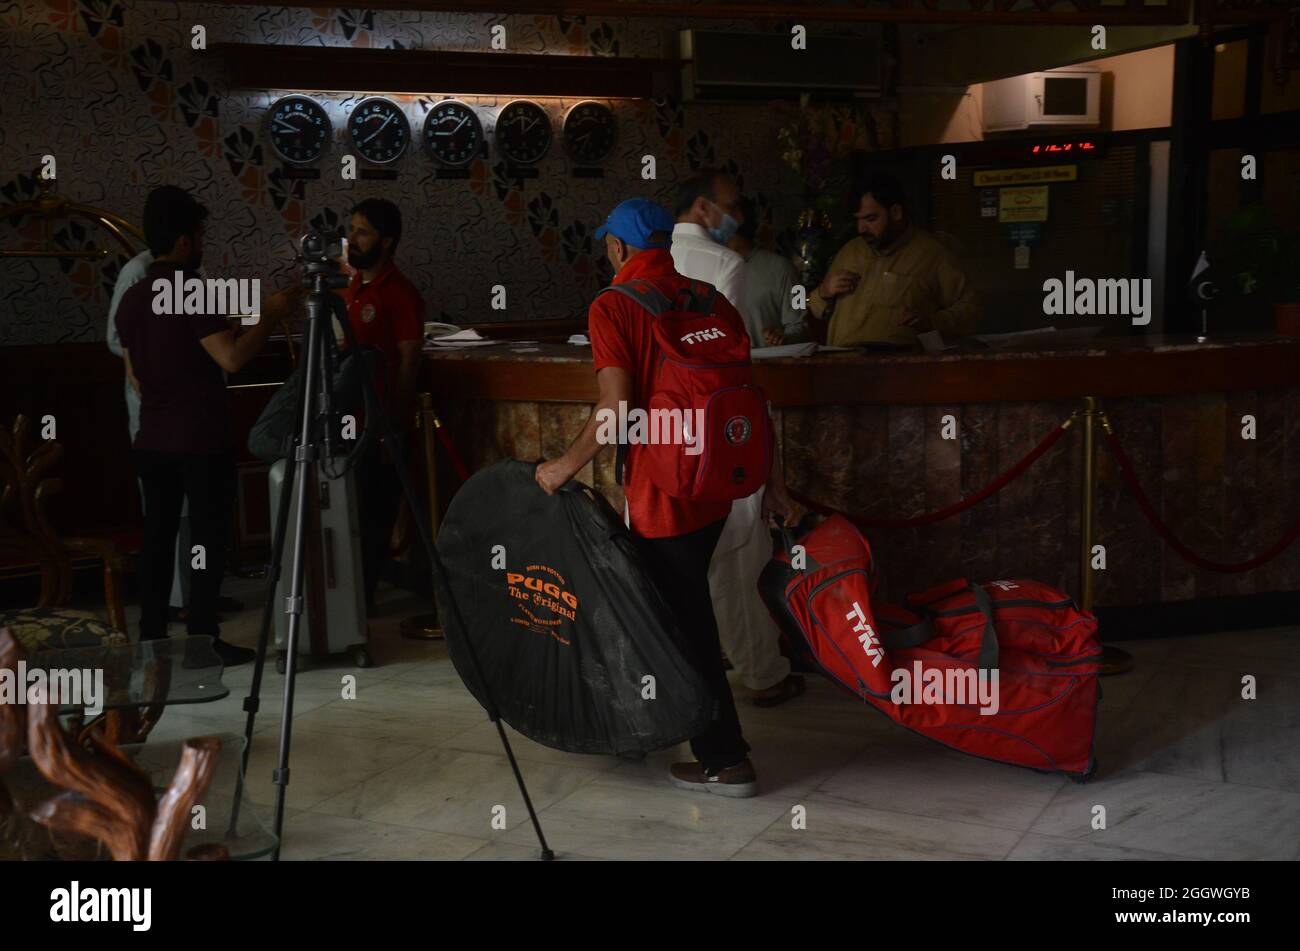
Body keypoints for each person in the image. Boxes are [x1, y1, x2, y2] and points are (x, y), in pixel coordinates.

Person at [535, 198, 794, 797]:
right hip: (717, 486)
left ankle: (725, 761)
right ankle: (644, 725)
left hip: (664, 491)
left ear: (619, 248)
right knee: (668, 611)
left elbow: (617, 409)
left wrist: (562, 469)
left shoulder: (613, 306)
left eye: (608, 245)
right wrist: (774, 484)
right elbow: (752, 404)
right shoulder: (712, 302)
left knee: (685, 626)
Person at [115, 186, 303, 665]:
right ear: (183, 241)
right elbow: (232, 358)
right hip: (198, 440)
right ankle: (202, 639)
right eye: (199, 235)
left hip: (151, 440)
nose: (202, 245)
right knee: (206, 540)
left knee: (156, 540)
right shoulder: (192, 290)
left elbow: (137, 369)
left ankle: (152, 637)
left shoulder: (134, 297)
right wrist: (271, 316)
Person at [673, 172, 805, 709]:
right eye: (733, 206)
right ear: (704, 208)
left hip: (662, 434)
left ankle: (677, 676)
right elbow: (725, 360)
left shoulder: (648, 264)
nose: (740, 217)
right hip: (723, 425)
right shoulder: (728, 265)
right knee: (737, 553)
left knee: (679, 561)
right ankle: (762, 673)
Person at [336, 198, 425, 613]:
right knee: (346, 512)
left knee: (373, 516)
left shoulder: (401, 294)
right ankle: (345, 597)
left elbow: (409, 362)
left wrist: (396, 424)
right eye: (352, 229)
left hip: (379, 424)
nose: (353, 238)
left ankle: (362, 603)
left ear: (387, 242)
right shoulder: (352, 287)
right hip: (343, 421)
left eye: (363, 231)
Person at [808, 171, 981, 346]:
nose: (861, 229)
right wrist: (824, 292)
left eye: (870, 218)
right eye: (857, 220)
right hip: (840, 364)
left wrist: (932, 322)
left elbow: (970, 311)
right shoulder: (850, 251)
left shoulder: (933, 255)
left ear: (896, 212)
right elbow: (815, 310)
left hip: (898, 368)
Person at [727, 196, 807, 346]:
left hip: (765, 367)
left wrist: (783, 337)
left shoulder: (784, 268)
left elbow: (801, 323)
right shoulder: (706, 268)